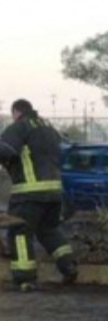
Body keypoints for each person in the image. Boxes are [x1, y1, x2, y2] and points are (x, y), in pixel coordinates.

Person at [0, 99, 77, 291]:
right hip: (54, 192)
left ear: (16, 112)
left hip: (28, 192)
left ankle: (25, 279)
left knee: (19, 232)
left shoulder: (19, 127)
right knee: (48, 229)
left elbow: (5, 151)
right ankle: (69, 266)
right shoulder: (50, 128)